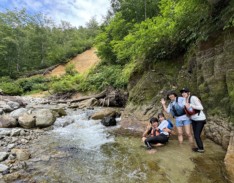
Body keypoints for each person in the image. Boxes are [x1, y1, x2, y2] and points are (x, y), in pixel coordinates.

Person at [180, 87, 206, 153]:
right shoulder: (185, 99)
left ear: (188, 93)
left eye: (185, 92)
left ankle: (201, 149)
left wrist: (191, 105)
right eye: (182, 92)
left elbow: (201, 107)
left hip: (200, 119)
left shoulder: (193, 98)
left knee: (197, 135)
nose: (183, 93)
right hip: (193, 120)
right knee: (195, 135)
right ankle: (199, 147)